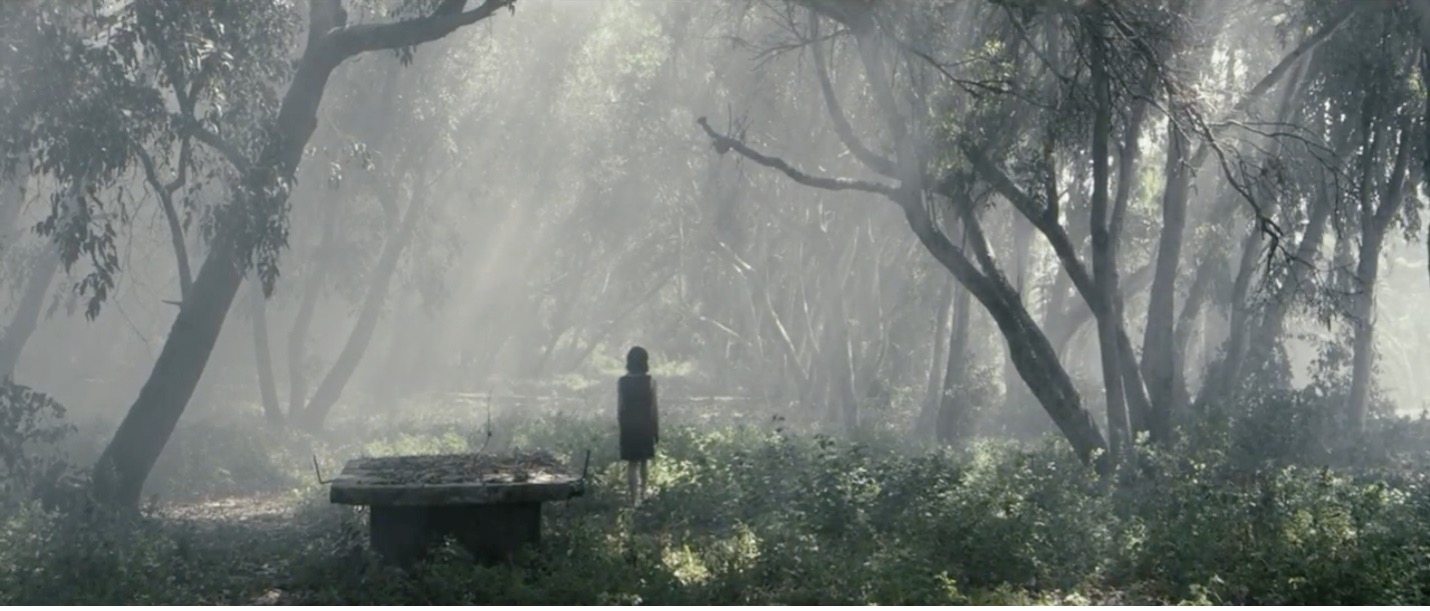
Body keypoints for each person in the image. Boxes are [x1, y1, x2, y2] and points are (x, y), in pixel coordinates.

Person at [617, 346, 658, 506]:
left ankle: (633, 499)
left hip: (628, 426)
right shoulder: (650, 381)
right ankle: (643, 494)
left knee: (632, 464)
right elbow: (654, 408)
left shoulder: (622, 382)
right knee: (644, 462)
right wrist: (656, 430)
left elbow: (620, 407)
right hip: (645, 424)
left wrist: (621, 426)